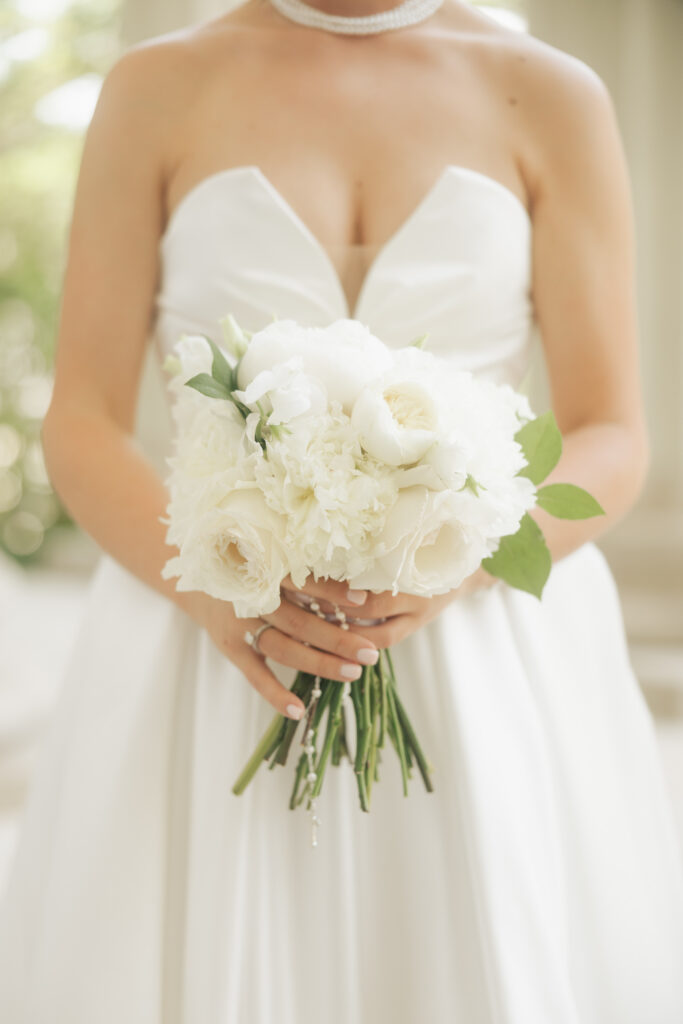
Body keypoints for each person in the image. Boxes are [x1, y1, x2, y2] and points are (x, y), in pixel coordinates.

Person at [1, 0, 682, 1020]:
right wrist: (219, 594)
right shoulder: (156, 87)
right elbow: (85, 420)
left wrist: (466, 556)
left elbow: (609, 432)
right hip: (211, 636)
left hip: (478, 639)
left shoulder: (547, 93)